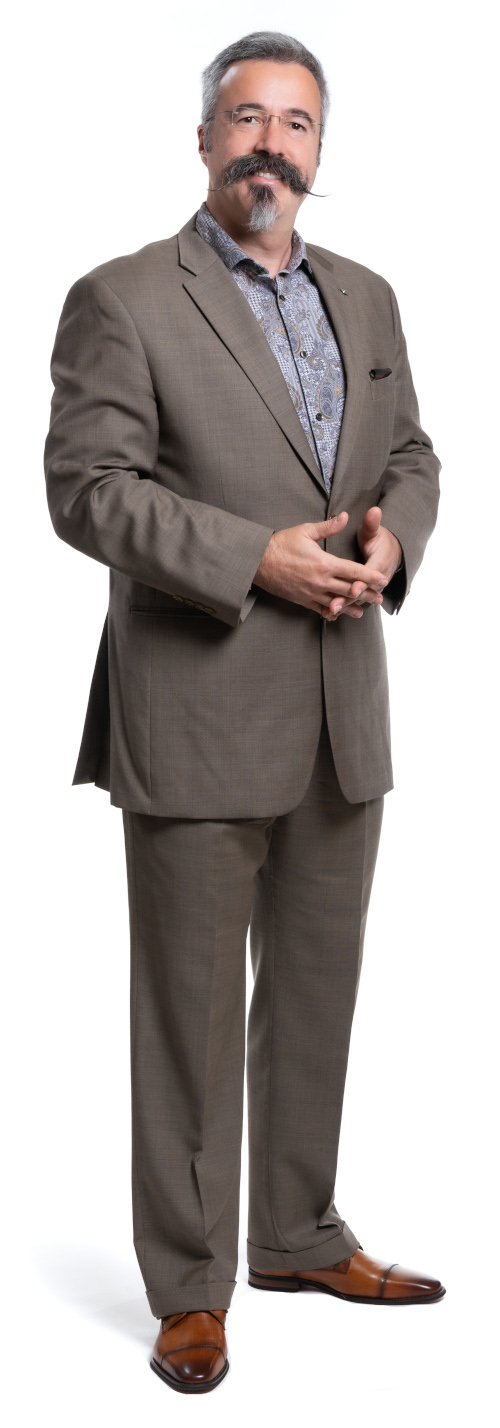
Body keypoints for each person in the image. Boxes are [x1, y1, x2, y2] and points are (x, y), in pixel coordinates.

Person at [44, 30, 443, 1396]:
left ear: (320, 154)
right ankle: (192, 1288)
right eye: (247, 119)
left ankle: (295, 1232)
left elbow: (408, 455)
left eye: (299, 125)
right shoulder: (122, 298)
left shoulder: (371, 298)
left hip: (344, 710)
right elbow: (87, 487)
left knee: (316, 1004)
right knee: (192, 1018)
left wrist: (396, 544)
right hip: (200, 709)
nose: (272, 144)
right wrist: (247, 556)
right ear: (207, 141)